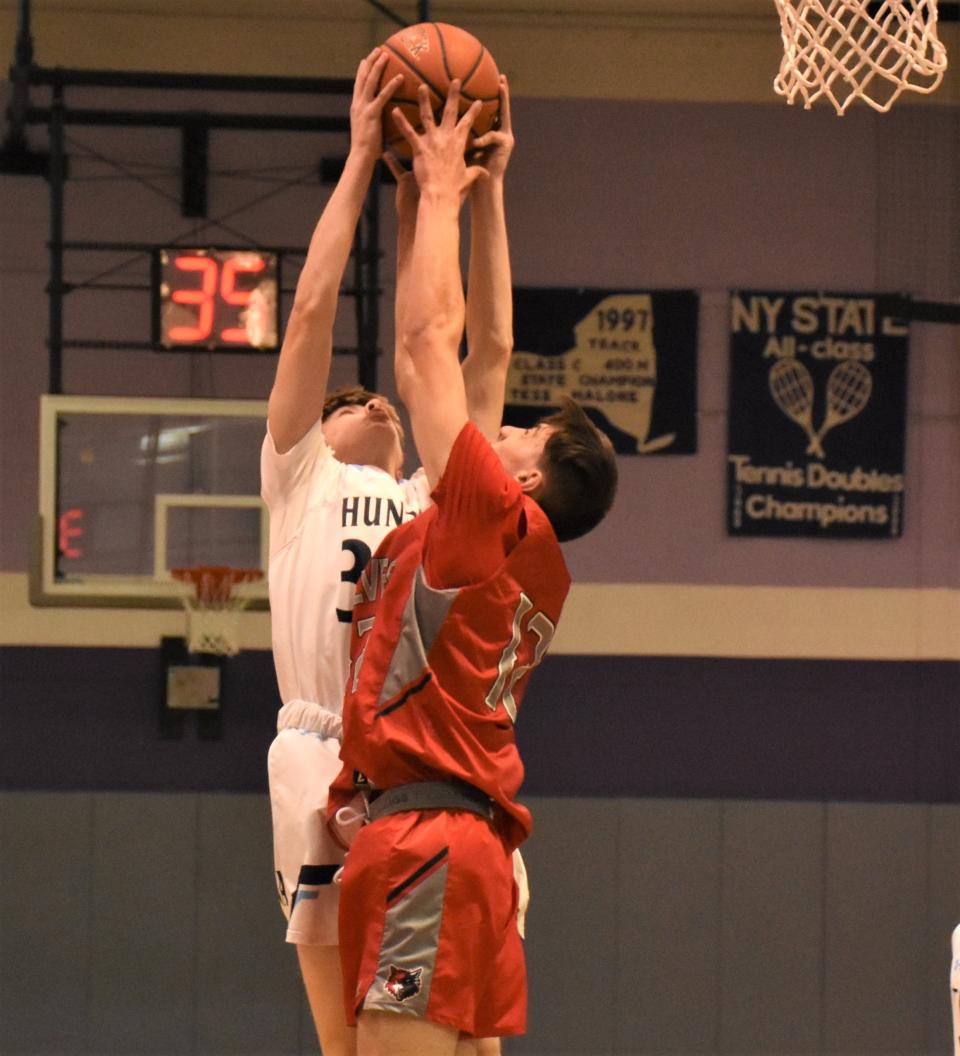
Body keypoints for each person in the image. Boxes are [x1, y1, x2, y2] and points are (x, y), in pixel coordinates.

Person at [329, 83, 618, 1056]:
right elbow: (483, 341)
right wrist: (464, 198)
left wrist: (444, 188)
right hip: (469, 846)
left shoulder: (486, 518)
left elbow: (427, 347)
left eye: (523, 431)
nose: (503, 421)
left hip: (426, 843)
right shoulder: (516, 553)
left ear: (526, 474)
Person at [261, 48, 520, 1056]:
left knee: (460, 1034)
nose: (368, 401)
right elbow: (311, 312)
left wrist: (462, 192)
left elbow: (474, 346)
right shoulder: (299, 485)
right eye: (342, 404)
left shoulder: (432, 500)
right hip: (324, 749)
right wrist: (367, 159)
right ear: (306, 437)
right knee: (354, 1041)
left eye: (381, 404)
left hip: (431, 783)